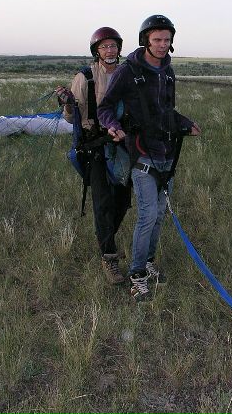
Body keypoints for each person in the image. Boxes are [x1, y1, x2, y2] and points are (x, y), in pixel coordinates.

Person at [97, 15, 200, 302]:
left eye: (167, 40)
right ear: (145, 40)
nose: (162, 45)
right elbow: (105, 107)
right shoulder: (128, 71)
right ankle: (137, 275)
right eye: (157, 40)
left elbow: (167, 111)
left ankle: (150, 261)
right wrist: (112, 126)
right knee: (148, 215)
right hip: (142, 154)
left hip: (168, 154)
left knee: (159, 215)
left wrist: (185, 123)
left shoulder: (168, 72)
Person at [55, 27, 131, 285]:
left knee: (123, 199)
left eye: (113, 46)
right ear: (97, 51)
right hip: (95, 146)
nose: (110, 50)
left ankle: (107, 239)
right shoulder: (85, 77)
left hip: (122, 144)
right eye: (104, 46)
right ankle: (109, 256)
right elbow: (70, 117)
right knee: (103, 201)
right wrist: (67, 104)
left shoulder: (127, 74)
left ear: (119, 49)